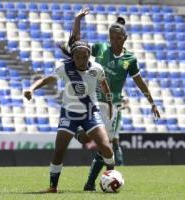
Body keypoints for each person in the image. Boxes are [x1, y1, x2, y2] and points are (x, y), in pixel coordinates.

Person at [71, 8, 161, 191]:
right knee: (95, 142)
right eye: (111, 38)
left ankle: (91, 183)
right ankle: (78, 132)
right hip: (95, 102)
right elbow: (78, 44)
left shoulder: (130, 59)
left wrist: (152, 102)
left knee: (105, 146)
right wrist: (78, 21)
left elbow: (140, 82)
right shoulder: (101, 48)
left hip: (113, 107)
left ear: (125, 38)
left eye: (118, 38)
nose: (114, 41)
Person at [24, 40, 115, 193]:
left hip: (90, 113)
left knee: (106, 147)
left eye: (84, 57)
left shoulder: (97, 68)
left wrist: (110, 104)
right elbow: (46, 79)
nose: (81, 60)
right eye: (77, 57)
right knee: (59, 150)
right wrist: (31, 89)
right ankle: (53, 187)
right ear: (72, 57)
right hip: (69, 113)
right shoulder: (64, 68)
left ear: (89, 56)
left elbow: (104, 84)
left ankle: (112, 177)